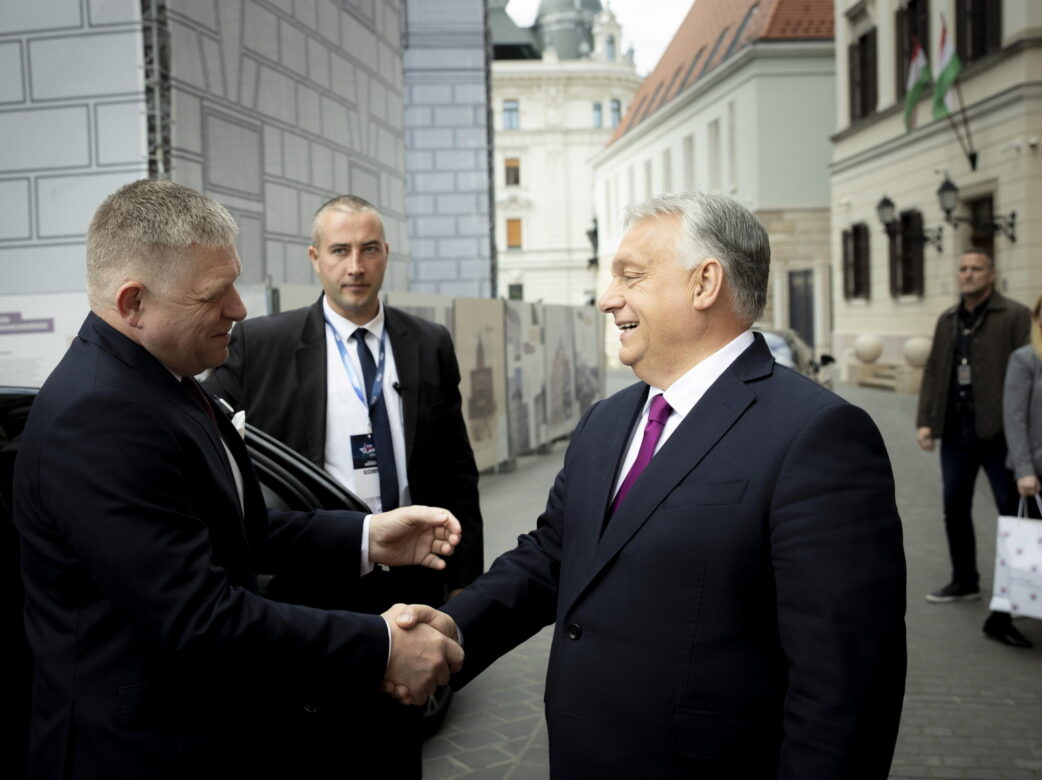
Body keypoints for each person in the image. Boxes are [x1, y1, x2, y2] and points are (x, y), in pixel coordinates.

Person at [397, 193, 908, 778]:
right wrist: (455, 627)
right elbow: (554, 555)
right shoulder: (606, 420)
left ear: (704, 283)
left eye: (631, 276)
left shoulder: (818, 435)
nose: (607, 298)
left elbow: (844, 688)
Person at [12, 179, 463, 779]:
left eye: (234, 284)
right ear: (133, 303)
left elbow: (240, 532)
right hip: (141, 755)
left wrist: (366, 536)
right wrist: (380, 645)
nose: (238, 309)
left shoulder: (165, 379)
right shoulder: (99, 415)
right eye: (213, 295)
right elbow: (197, 618)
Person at [202, 194, 483, 777]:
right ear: (315, 258)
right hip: (309, 582)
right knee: (313, 746)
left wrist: (464, 581)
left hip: (411, 577)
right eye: (340, 251)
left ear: (386, 255)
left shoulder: (429, 343)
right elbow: (203, 443)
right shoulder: (260, 344)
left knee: (396, 744)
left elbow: (456, 467)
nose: (355, 266)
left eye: (369, 249)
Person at [916, 249, 1031, 604]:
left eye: (976, 269)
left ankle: (1022, 589)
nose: (968, 274)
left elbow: (1029, 372)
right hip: (956, 429)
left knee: (1013, 511)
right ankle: (964, 581)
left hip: (1001, 432)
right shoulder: (948, 318)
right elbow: (934, 370)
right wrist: (925, 421)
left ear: (991, 274)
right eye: (963, 268)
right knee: (954, 506)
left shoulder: (1015, 315)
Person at [984, 293, 1042, 648]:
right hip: (1033, 474)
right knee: (1023, 546)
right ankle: (1000, 619)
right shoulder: (1026, 359)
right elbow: (1015, 418)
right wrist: (1024, 470)